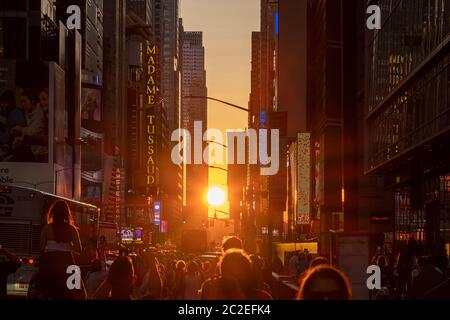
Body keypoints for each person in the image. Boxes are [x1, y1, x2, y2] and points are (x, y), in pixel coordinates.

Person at [39, 200, 85, 299]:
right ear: (66, 213)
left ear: (52, 213)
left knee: (39, 288)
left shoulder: (47, 229)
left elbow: (41, 249)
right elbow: (79, 249)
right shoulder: (72, 229)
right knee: (78, 291)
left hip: (49, 262)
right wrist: (66, 245)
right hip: (68, 261)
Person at [11, 90, 47, 162]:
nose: (22, 104)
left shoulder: (39, 111)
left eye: (24, 101)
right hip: (34, 150)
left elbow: (34, 130)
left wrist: (20, 129)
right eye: (21, 102)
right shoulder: (27, 112)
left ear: (32, 101)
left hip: (43, 152)